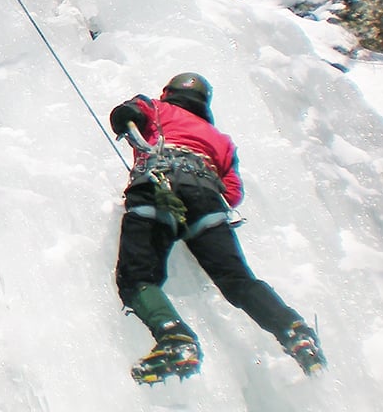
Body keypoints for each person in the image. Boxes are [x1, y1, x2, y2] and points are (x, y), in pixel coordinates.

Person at [109, 72, 325, 383]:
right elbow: (232, 193)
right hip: (206, 200)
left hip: (157, 188)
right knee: (237, 280)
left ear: (169, 92)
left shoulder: (157, 107)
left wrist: (127, 121)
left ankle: (175, 339)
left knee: (136, 277)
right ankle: (294, 330)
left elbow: (126, 113)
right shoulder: (221, 140)